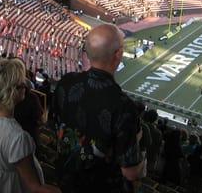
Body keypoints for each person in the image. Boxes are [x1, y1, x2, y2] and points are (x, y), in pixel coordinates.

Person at [53, 24, 144, 193]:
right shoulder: (123, 106)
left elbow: (55, 124)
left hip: (65, 180)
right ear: (118, 54)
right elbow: (130, 173)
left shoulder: (65, 83)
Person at [0, 58, 60, 193]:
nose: (25, 86)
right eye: (21, 84)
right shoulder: (18, 138)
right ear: (11, 92)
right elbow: (35, 187)